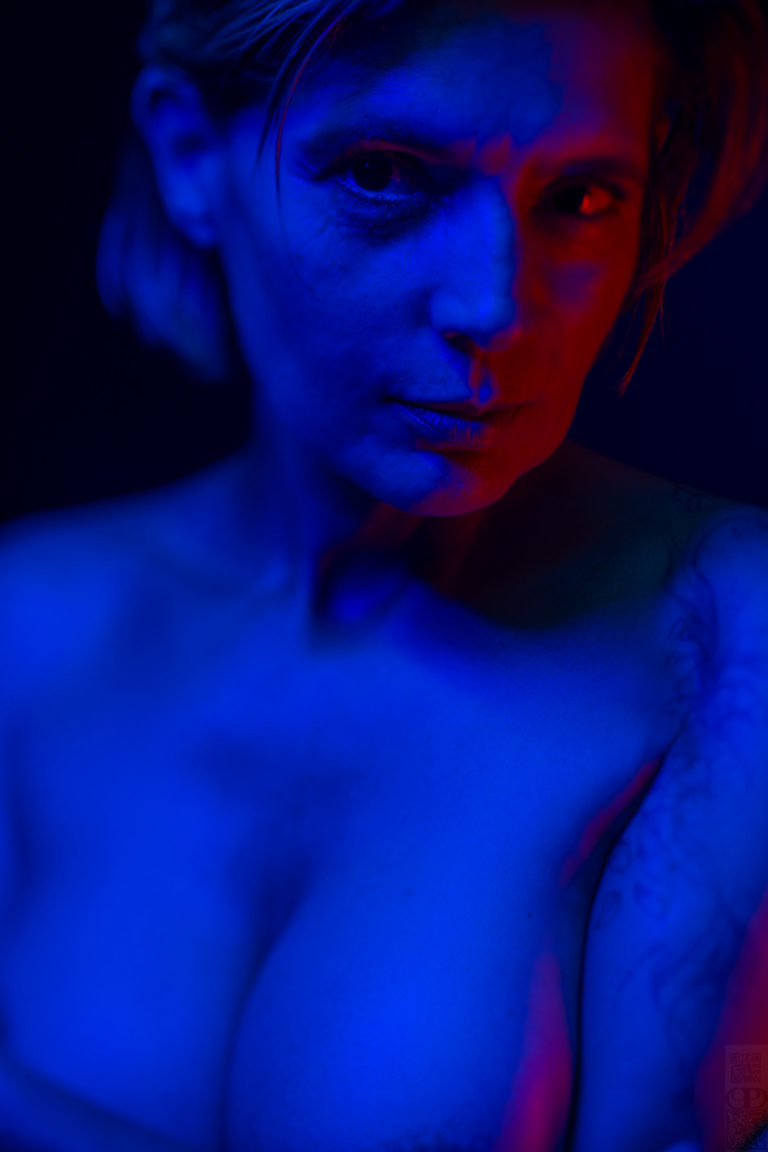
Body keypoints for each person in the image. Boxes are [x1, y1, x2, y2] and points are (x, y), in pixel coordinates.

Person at [1, 0, 767, 1149]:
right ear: (191, 154)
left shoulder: (725, 644)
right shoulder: (29, 630)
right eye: (382, 174)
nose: (493, 306)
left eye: (582, 197)